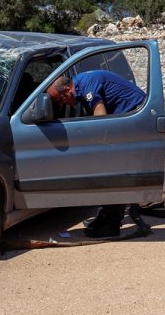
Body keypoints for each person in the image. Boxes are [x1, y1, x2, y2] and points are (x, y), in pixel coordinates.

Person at [47, 70, 146, 238]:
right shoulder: (80, 87)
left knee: (115, 172)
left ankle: (111, 224)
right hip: (125, 119)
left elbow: (100, 115)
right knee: (111, 172)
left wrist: (98, 148)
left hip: (136, 116)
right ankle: (105, 217)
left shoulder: (87, 84)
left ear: (67, 90)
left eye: (59, 100)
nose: (61, 105)